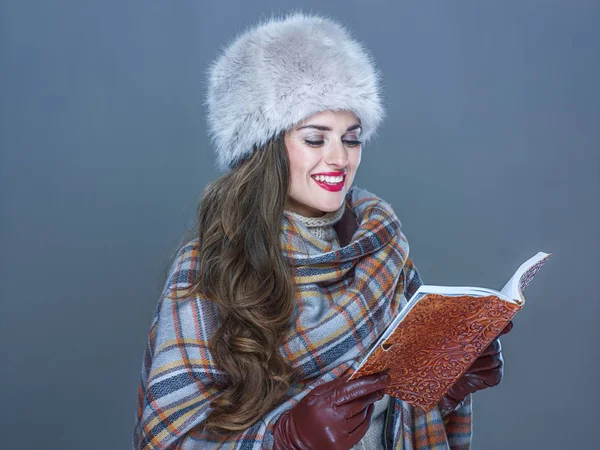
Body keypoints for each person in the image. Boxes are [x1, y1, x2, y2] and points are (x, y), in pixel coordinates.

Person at [133, 12, 512, 450]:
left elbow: (399, 412)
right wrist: (283, 440)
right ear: (265, 147)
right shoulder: (208, 268)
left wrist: (443, 386)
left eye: (351, 139)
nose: (339, 158)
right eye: (316, 139)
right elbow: (166, 439)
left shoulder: (381, 250)